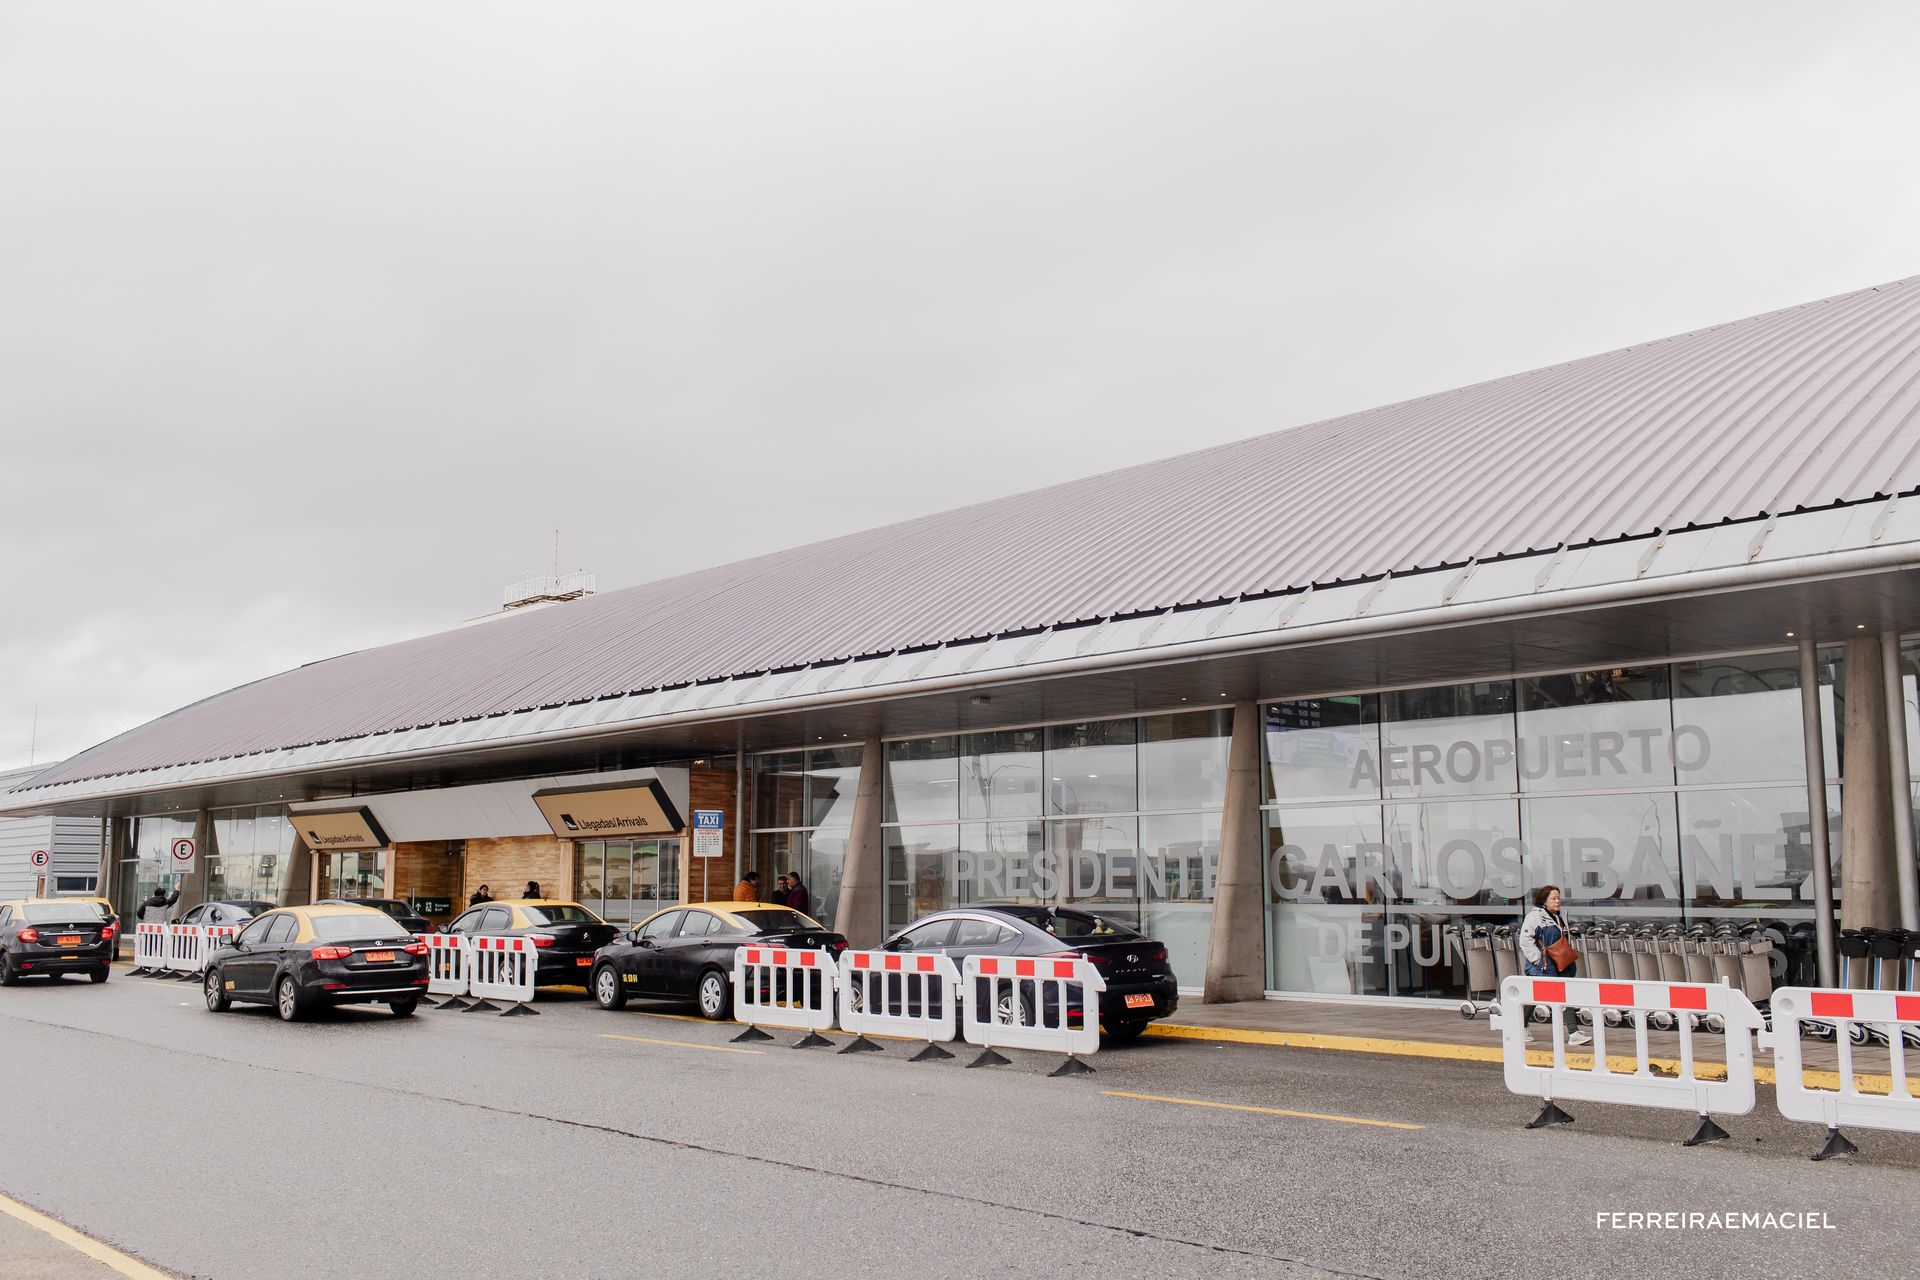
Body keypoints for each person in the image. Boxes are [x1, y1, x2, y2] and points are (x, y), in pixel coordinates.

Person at [1519, 884, 1589, 1046]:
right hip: (1544, 965)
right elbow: (1525, 940)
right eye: (1553, 898)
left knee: (1546, 995)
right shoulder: (1535, 917)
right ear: (1544, 900)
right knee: (1549, 996)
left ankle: (1573, 1032)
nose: (1557, 901)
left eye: (1558, 898)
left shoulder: (1557, 916)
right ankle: (1573, 1032)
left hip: (1559, 963)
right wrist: (1537, 959)